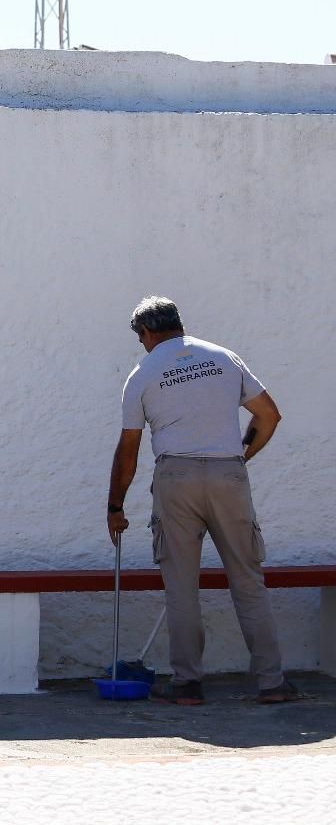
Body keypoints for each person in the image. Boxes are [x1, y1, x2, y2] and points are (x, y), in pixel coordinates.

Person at [106, 296, 298, 705]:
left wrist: (115, 506)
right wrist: (241, 456)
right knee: (248, 581)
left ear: (146, 333)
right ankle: (272, 683)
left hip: (176, 476)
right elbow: (269, 416)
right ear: (178, 323)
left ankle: (188, 684)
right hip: (228, 472)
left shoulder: (143, 373)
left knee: (181, 588)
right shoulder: (224, 357)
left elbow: (128, 450)